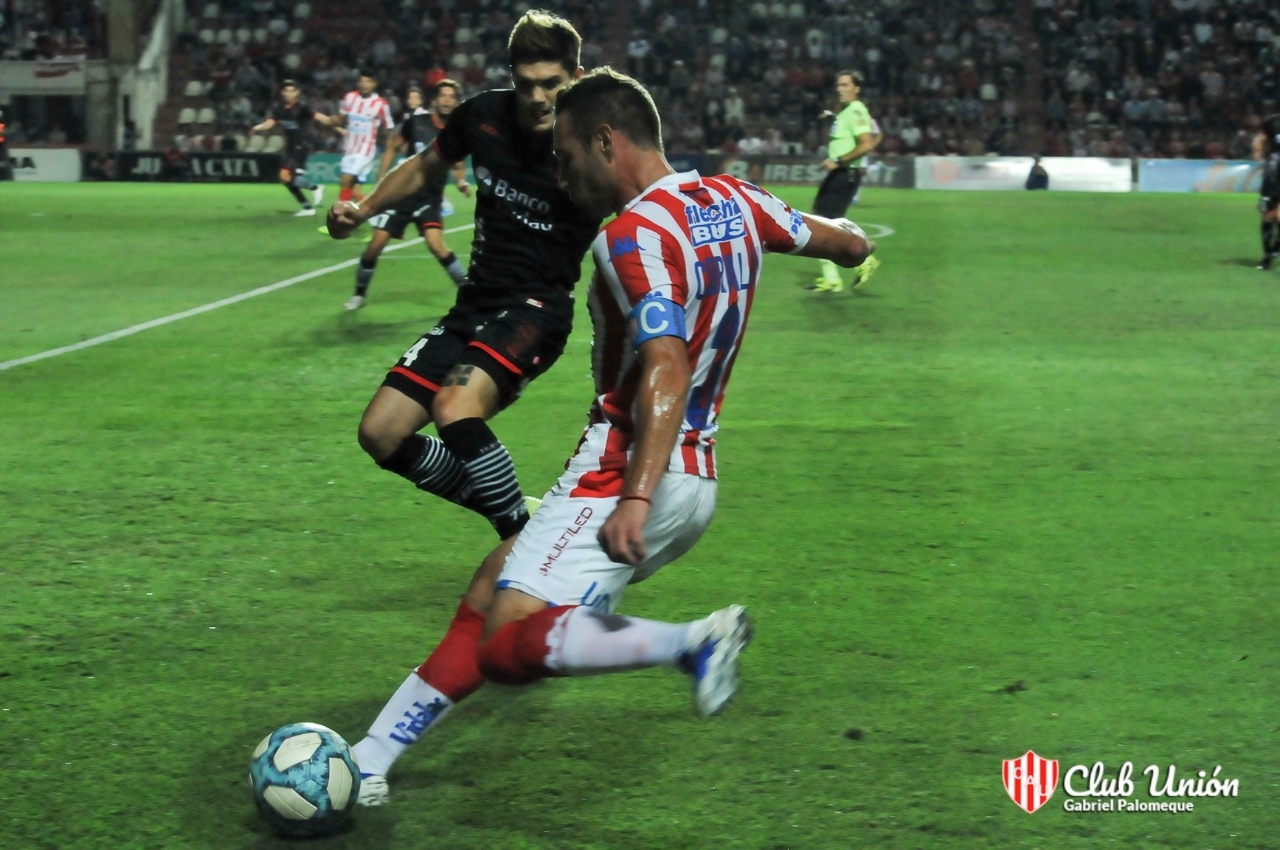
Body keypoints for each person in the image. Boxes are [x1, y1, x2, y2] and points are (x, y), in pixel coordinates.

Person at [346, 67, 875, 807]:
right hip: (697, 477)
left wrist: (635, 495)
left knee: (504, 645)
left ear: (606, 142)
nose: (562, 178)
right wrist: (852, 245)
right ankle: (369, 758)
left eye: (566, 158)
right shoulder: (735, 198)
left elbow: (666, 364)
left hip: (626, 470)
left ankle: (690, 641)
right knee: (491, 587)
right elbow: (846, 245)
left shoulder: (629, 238)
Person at [327, 11, 601, 543]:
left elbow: (643, 203)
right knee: (380, 432)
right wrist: (361, 210)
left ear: (577, 77)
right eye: (526, 84)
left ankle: (519, 543)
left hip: (537, 310)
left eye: (551, 84)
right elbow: (424, 167)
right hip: (474, 306)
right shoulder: (482, 116)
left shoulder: (594, 145)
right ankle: (517, 516)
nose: (538, 97)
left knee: (454, 408)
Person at [346, 81, 473, 310]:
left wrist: (461, 181)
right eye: (442, 95)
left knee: (437, 246)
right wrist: (382, 179)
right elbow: (393, 145)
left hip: (429, 199)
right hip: (401, 195)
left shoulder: (455, 131)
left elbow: (459, 163)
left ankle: (469, 293)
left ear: (456, 102)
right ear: (434, 100)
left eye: (451, 96)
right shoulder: (417, 122)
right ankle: (359, 295)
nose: (446, 100)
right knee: (375, 246)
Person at [808, 70, 881, 292]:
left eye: (845, 85)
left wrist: (838, 160)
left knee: (823, 224)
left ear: (856, 88)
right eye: (838, 85)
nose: (840, 89)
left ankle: (861, 261)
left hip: (845, 172)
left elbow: (866, 144)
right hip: (839, 172)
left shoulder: (857, 110)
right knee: (823, 222)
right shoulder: (845, 112)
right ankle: (841, 273)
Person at [249, 80, 337, 216]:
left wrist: (335, 122)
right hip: (289, 146)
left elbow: (321, 118)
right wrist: (257, 128)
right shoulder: (279, 109)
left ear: (297, 93)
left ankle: (315, 188)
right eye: (287, 91)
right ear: (282, 93)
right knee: (287, 180)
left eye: (292, 91)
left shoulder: (302, 107)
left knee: (285, 176)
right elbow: (269, 124)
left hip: (301, 146)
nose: (289, 93)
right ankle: (307, 207)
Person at [332, 70, 395, 206]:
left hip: (365, 150)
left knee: (346, 178)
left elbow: (389, 127)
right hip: (349, 148)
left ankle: (339, 212)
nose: (364, 84)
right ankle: (376, 211)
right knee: (355, 192)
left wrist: (390, 147)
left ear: (374, 84)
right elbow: (342, 117)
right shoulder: (350, 97)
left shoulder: (381, 104)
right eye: (361, 81)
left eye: (368, 81)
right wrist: (333, 122)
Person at [1255, 114, 1280, 271]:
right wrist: (1258, 152)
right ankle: (1269, 254)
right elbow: (1261, 139)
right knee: (1268, 216)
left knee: (1276, 216)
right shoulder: (1273, 121)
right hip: (1273, 171)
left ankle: (1273, 252)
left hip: (1274, 169)